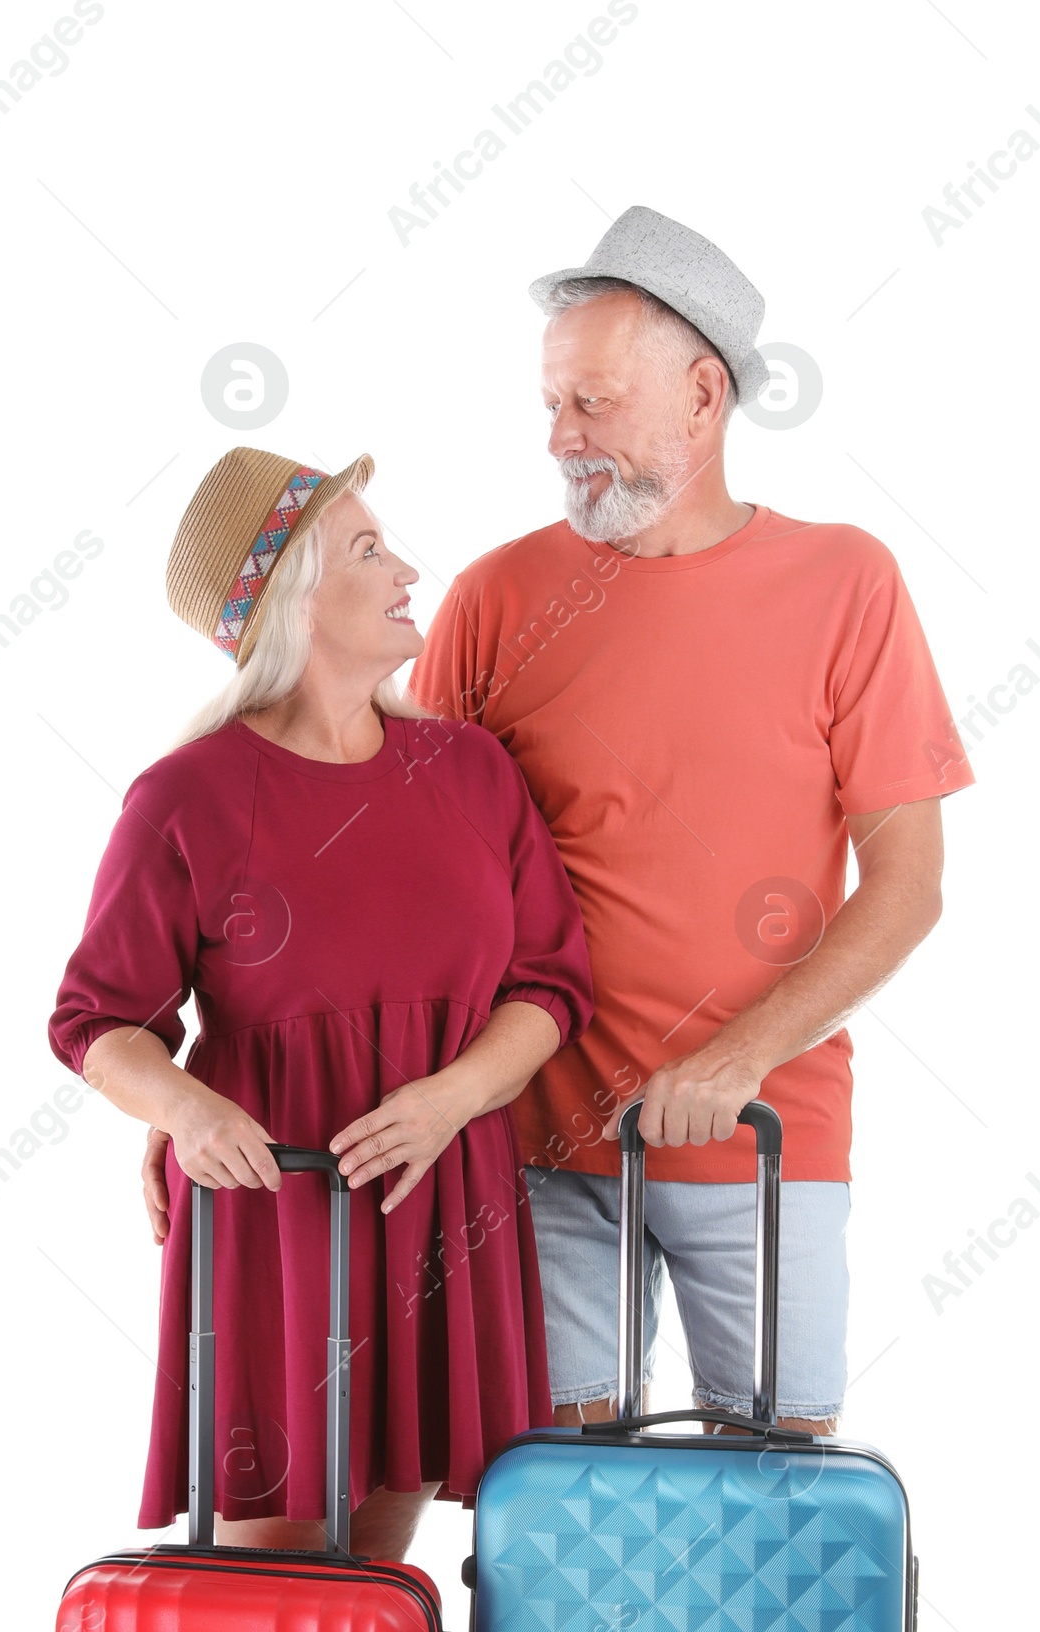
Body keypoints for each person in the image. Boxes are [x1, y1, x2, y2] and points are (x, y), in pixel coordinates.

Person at [49, 444, 593, 1632]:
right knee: (283, 1567)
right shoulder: (190, 798)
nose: (404, 565)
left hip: (445, 1193)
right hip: (284, 1219)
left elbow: (546, 985)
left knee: (378, 1561)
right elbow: (99, 1016)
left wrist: (446, 1102)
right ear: (294, 596)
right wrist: (183, 1105)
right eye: (368, 546)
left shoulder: (468, 772)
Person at [405, 204, 975, 1435]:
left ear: (703, 395)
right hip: (538, 1152)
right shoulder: (493, 598)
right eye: (552, 405)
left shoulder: (844, 583)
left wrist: (738, 1056)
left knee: (777, 1521)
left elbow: (907, 880)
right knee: (561, 1515)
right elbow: (406, 875)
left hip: (765, 1133)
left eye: (593, 404)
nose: (559, 438)